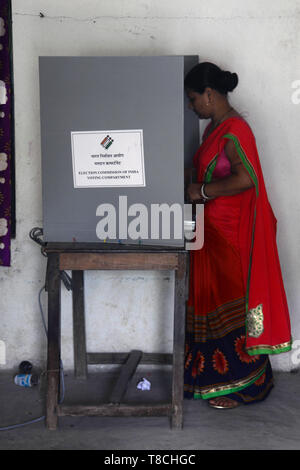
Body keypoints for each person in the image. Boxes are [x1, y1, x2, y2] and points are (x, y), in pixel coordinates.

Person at [184, 62, 292, 409]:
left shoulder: (235, 131)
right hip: (210, 233)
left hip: (230, 237)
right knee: (210, 304)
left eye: (193, 99)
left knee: (231, 308)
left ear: (210, 95)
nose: (191, 106)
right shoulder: (213, 130)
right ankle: (212, 380)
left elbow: (247, 180)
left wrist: (201, 191)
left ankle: (243, 385)